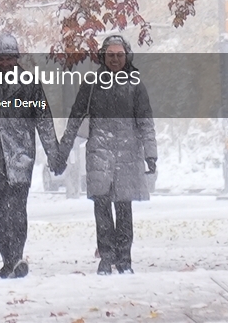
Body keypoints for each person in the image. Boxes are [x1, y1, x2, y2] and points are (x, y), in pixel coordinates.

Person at [0, 34, 63, 278]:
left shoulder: (30, 84)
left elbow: (44, 120)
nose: (5, 63)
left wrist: (54, 154)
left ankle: (15, 258)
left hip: (20, 154)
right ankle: (9, 259)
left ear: (17, 58)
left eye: (9, 58)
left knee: (17, 210)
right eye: (1, 58)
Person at [57, 34, 157, 275]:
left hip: (128, 153)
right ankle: (106, 257)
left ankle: (124, 259)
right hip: (99, 153)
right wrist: (63, 149)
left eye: (119, 55)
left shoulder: (135, 85)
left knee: (124, 209)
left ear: (127, 56)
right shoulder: (91, 84)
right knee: (101, 208)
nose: (115, 59)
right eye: (110, 55)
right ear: (103, 56)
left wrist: (151, 154)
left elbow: (145, 121)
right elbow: (76, 117)